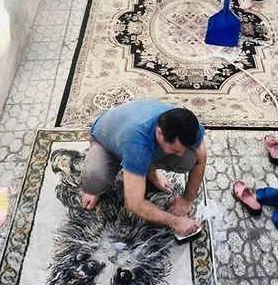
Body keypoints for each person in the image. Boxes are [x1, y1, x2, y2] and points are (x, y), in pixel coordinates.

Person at [80, 99, 207, 236]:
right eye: (175, 149)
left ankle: (149, 169)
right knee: (94, 180)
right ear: (159, 133)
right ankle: (98, 184)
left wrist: (187, 200)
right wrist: (175, 221)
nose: (180, 154)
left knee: (189, 159)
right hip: (106, 142)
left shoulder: (190, 127)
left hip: (135, 135)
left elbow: (200, 161)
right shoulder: (136, 143)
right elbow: (135, 204)